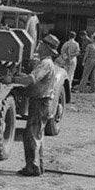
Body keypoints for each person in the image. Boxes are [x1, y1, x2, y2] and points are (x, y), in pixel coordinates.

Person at [5, 33, 60, 177]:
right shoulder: (47, 63)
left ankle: (32, 167)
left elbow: (31, 79)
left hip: (40, 102)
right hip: (43, 102)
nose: (39, 46)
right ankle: (38, 166)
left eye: (42, 45)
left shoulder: (45, 63)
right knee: (37, 134)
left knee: (31, 135)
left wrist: (11, 79)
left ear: (47, 49)